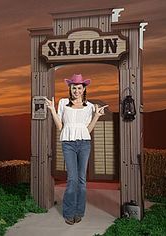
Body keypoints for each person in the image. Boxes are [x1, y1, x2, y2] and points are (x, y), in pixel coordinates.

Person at [44, 74, 108, 225]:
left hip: (84, 143)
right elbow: (60, 126)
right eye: (74, 88)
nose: (76, 91)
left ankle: (79, 211)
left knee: (81, 180)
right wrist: (52, 109)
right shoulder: (63, 103)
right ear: (70, 88)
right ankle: (69, 212)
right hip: (68, 144)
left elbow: (88, 129)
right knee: (72, 179)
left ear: (84, 89)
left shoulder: (90, 107)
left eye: (79, 88)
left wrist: (97, 116)